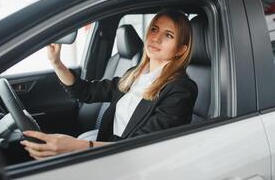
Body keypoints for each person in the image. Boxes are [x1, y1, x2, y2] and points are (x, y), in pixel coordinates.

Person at [20, 9, 198, 160]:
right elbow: (86, 92)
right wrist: (56, 62)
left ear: (181, 49)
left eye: (168, 35)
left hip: (132, 161)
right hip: (108, 150)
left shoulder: (181, 89)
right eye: (154, 29)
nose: (156, 38)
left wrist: (79, 146)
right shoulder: (134, 74)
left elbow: (142, 146)